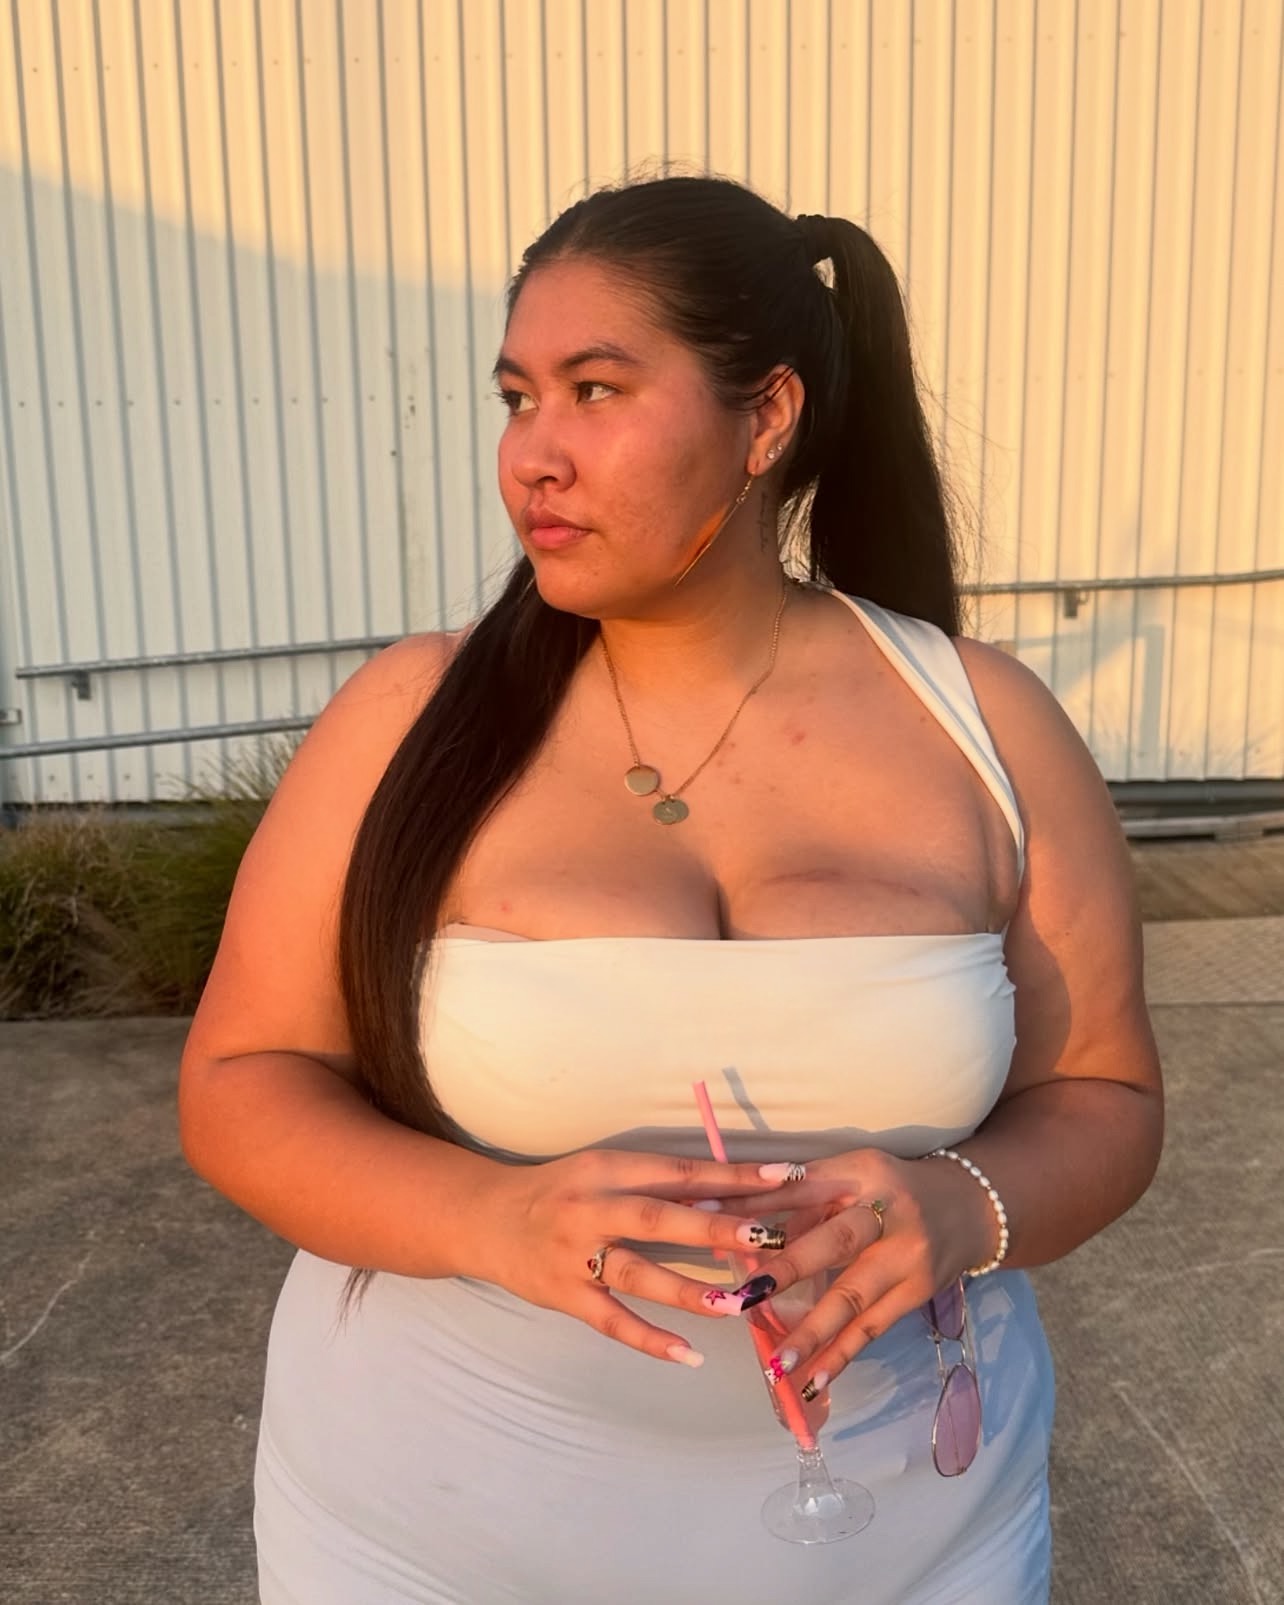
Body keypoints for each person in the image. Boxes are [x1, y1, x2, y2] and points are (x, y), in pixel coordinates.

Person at [179, 174, 1163, 1604]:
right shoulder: (411, 718)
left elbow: (1107, 1096)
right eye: (517, 398)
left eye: (595, 390)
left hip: (911, 1544)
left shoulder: (985, 723)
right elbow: (240, 1079)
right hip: (435, 1538)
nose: (533, 455)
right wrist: (485, 1219)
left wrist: (965, 1205)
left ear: (766, 419)